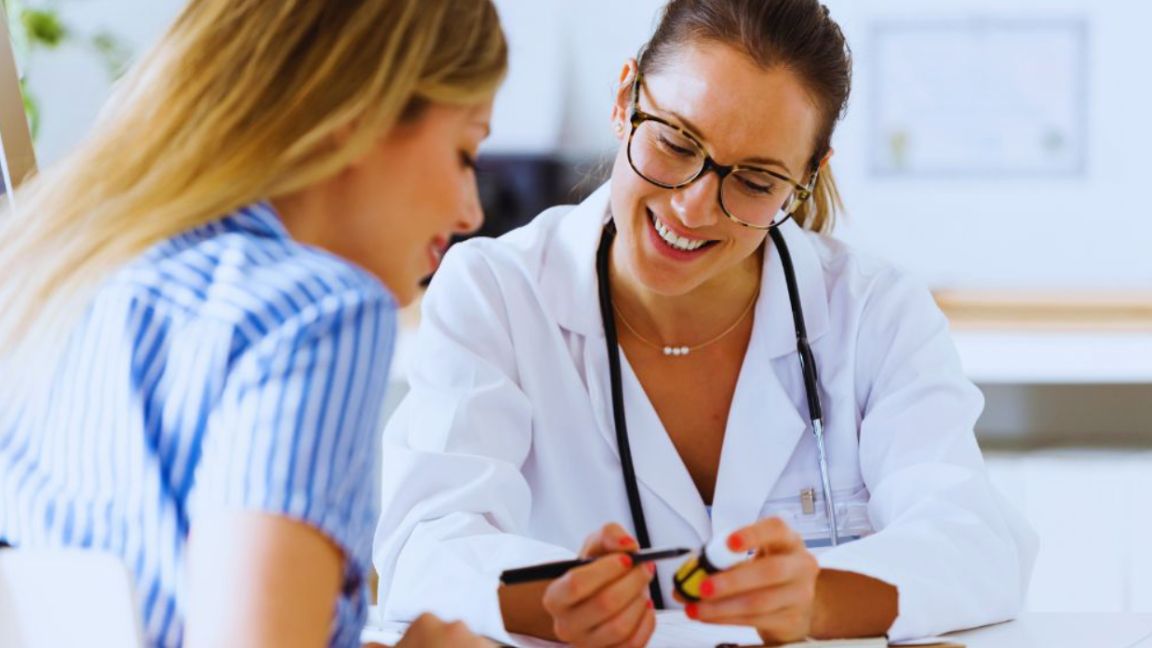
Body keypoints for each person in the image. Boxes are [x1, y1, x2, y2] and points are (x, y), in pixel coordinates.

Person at [372, 0, 1037, 646]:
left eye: (754, 180)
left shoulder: (874, 313)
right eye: (677, 142)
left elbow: (974, 541)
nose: (693, 207)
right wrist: (557, 604)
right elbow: (425, 545)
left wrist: (816, 598)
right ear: (625, 99)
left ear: (806, 177)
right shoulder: (496, 293)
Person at [0, 1, 505, 646]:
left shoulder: (57, 278)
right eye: (466, 152)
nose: (472, 212)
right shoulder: (317, 314)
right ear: (356, 115)